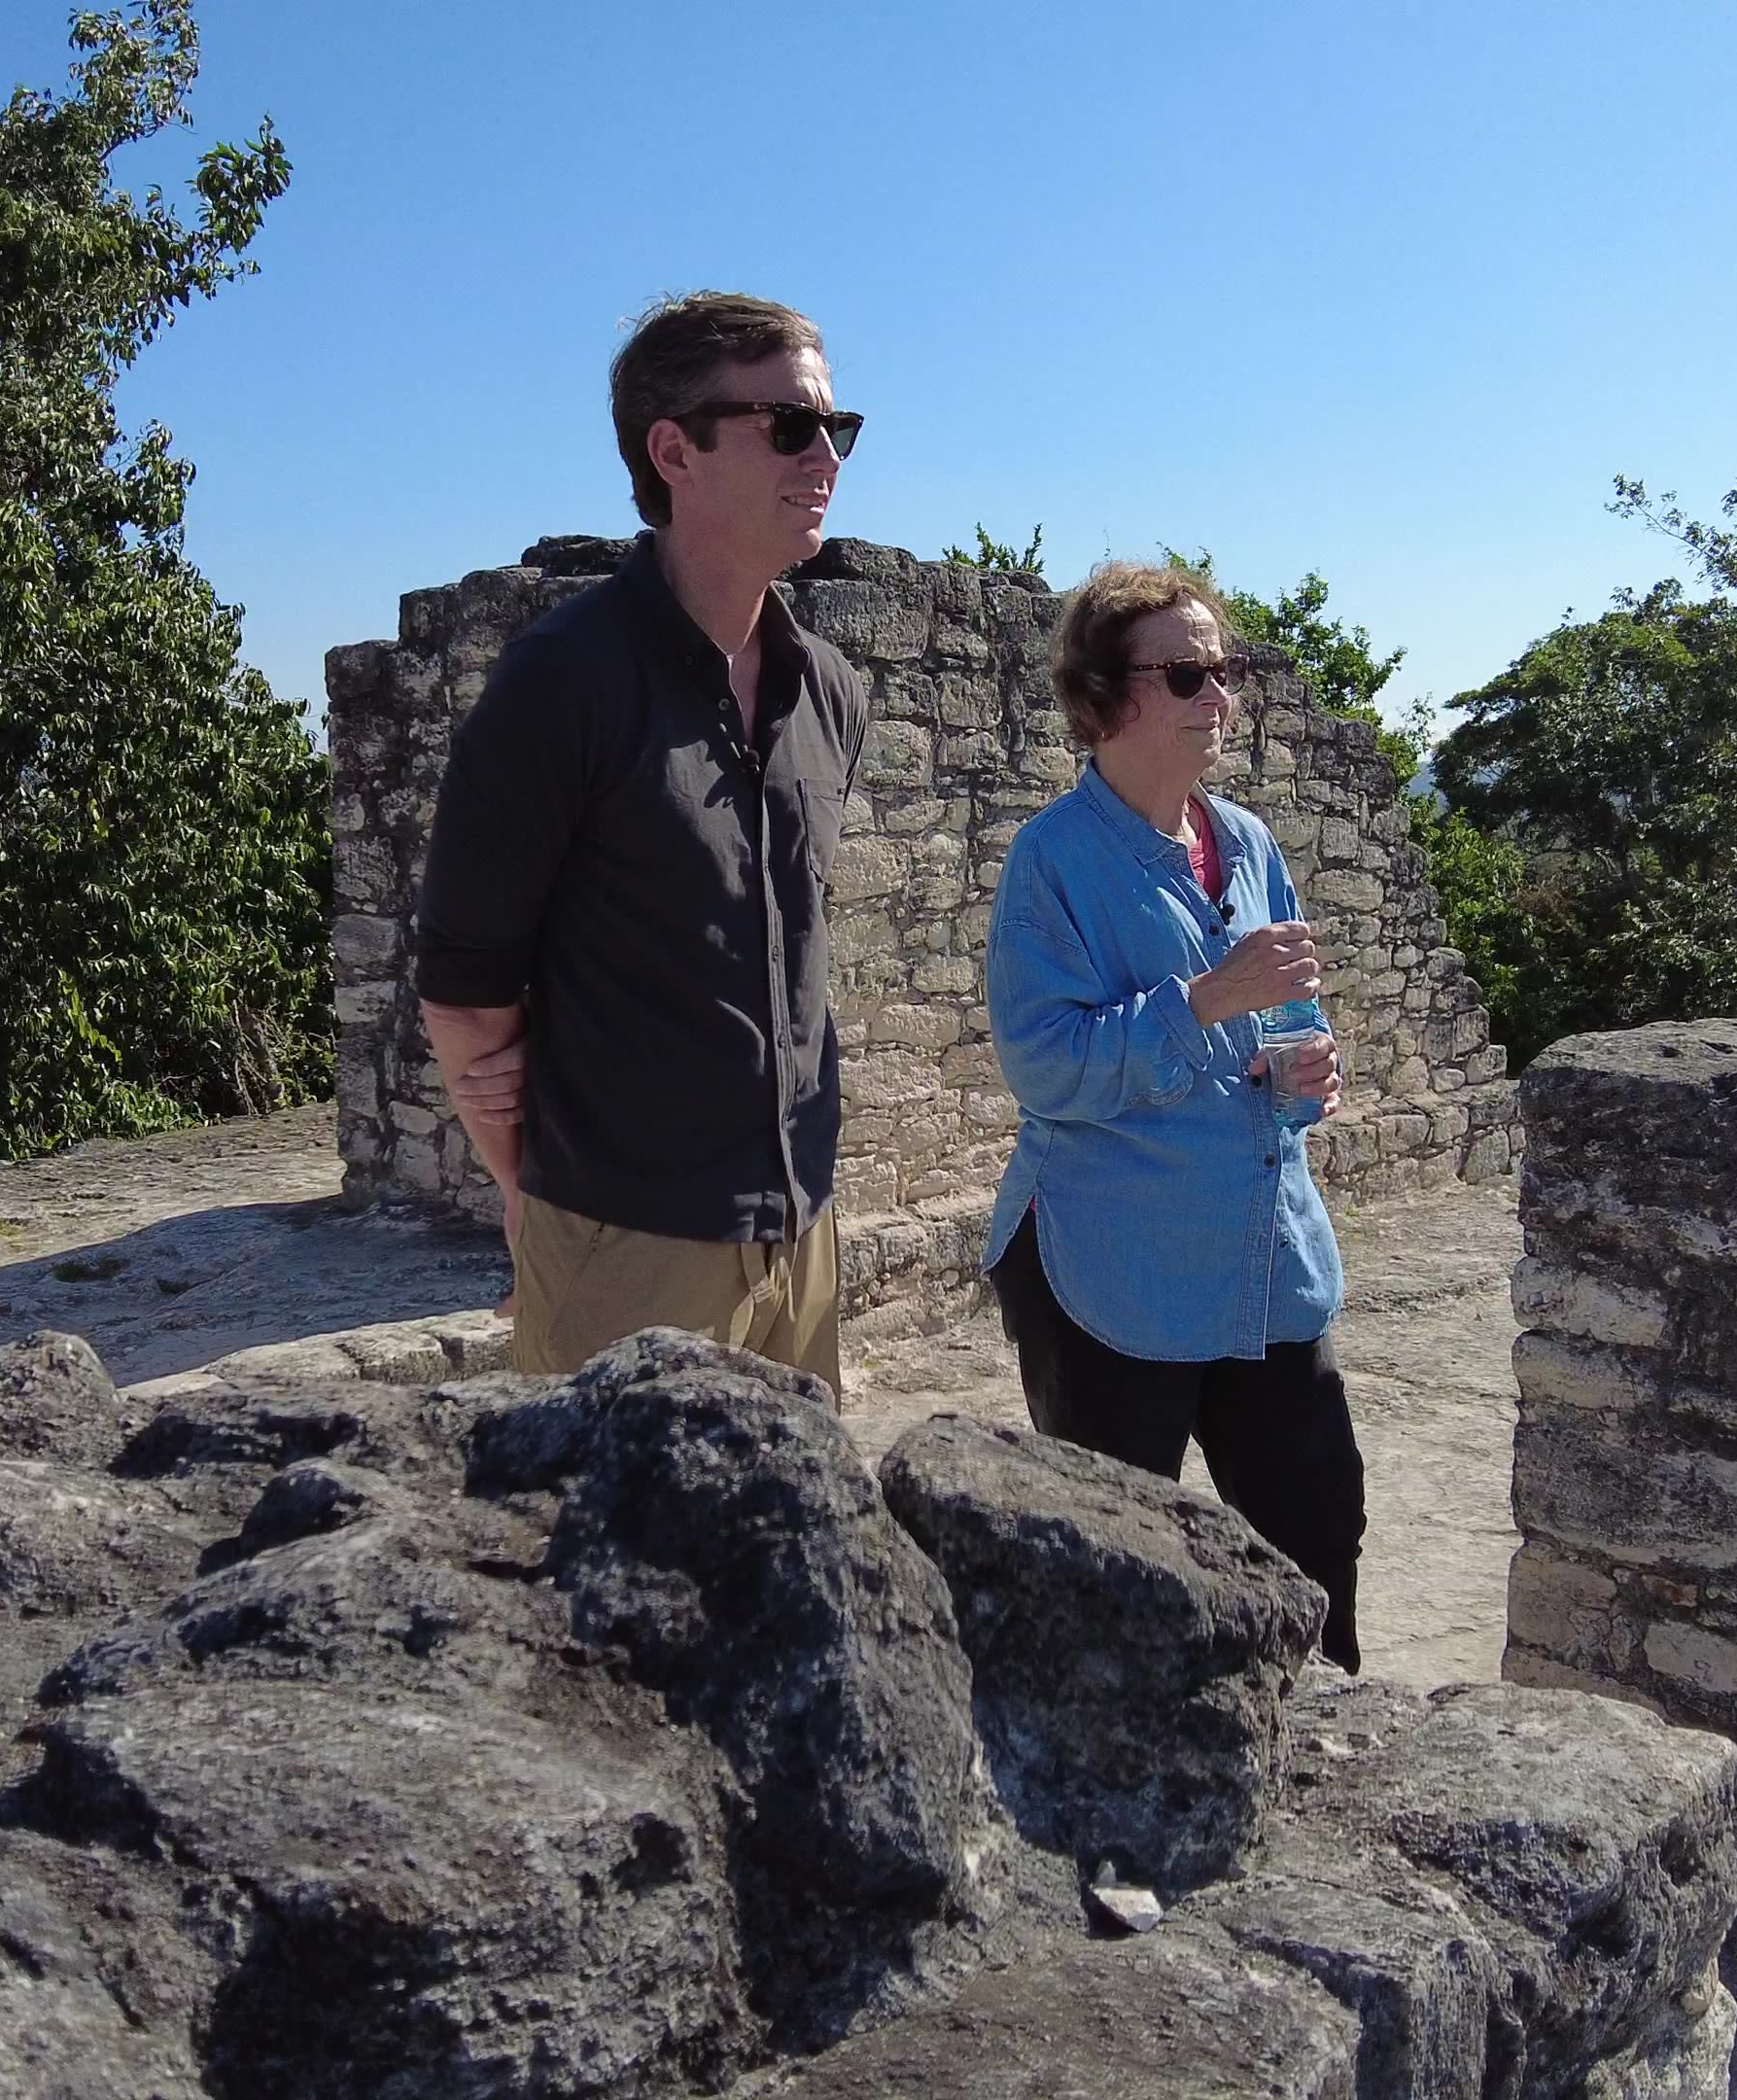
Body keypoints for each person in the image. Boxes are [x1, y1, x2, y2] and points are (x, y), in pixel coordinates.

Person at [410, 293, 870, 1392]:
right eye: (793, 426)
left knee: (784, 1559)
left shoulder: (830, 692)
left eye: (837, 429)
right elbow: (468, 985)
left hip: (801, 1239)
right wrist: (541, 1202)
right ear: (675, 450)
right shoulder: (564, 681)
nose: (828, 459)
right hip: (627, 1247)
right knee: (604, 1562)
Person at [978, 561, 1366, 1668]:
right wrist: (1205, 1001)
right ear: (1107, 695)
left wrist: (1303, 1076)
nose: (1221, 699)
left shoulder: (1245, 843)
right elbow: (1046, 1069)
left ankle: (1327, 1790)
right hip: (1115, 1273)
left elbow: (1284, 1014)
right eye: (1190, 674)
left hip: (1262, 1262)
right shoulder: (1051, 862)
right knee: (1117, 1577)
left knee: (1316, 1547)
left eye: (1226, 672)